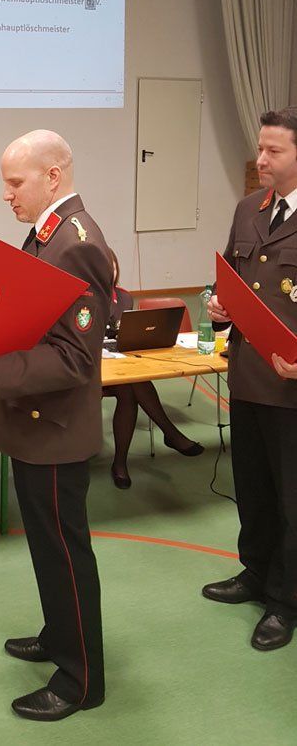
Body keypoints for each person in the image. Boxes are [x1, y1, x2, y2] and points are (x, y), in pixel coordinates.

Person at [0, 130, 111, 722]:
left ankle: (81, 679)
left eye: (15, 182)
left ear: (53, 176)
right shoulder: (47, 236)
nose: (6, 194)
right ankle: (59, 635)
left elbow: (76, 358)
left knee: (65, 554)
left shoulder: (76, 244)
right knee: (46, 547)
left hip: (56, 428)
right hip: (36, 421)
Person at [203, 106, 297, 651]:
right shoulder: (248, 209)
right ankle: (256, 571)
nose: (260, 159)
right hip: (248, 377)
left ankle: (286, 600)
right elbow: (235, 281)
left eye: (273, 150)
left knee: (292, 500)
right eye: (260, 148)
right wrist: (219, 306)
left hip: (291, 388)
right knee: (254, 487)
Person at [104, 249, 203, 489]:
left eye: (113, 267)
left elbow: (126, 330)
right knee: (133, 384)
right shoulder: (86, 298)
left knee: (130, 388)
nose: (110, 272)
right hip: (94, 369)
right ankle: (170, 434)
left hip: (121, 364)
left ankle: (120, 464)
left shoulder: (124, 297)